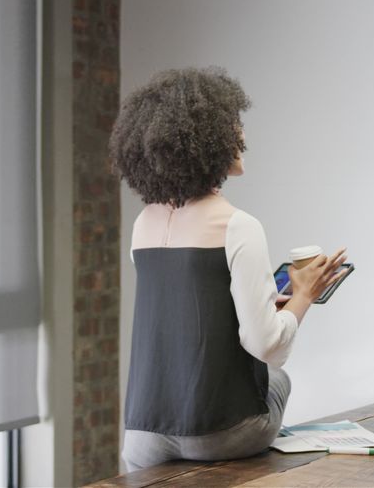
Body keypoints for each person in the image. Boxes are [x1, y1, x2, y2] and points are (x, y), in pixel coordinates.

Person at [108, 67, 347, 471]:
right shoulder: (237, 224)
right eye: (234, 125)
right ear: (206, 140)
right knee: (277, 380)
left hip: (141, 438)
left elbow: (186, 307)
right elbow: (268, 347)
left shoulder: (142, 224)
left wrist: (269, 299)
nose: (243, 137)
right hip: (218, 433)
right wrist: (304, 295)